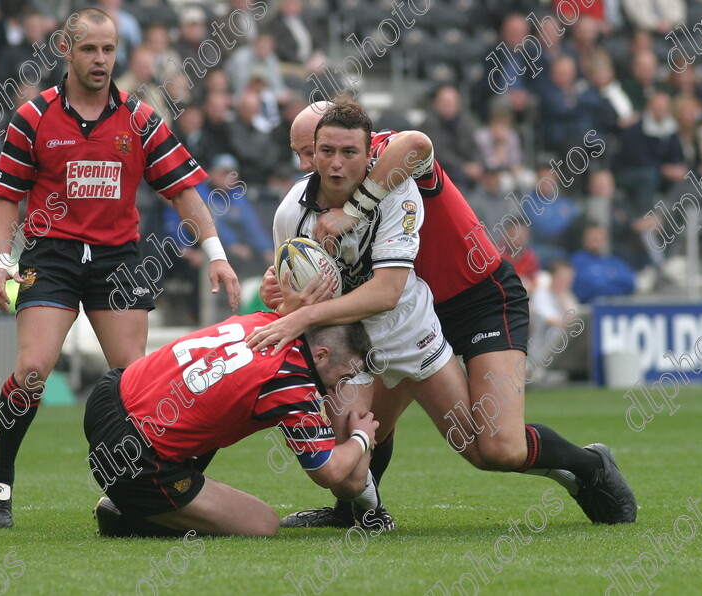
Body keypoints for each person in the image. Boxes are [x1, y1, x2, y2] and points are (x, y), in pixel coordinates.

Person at [265, 100, 636, 529]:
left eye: (313, 150)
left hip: (477, 297)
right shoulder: (304, 201)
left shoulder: (386, 159)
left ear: (359, 146)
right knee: (367, 428)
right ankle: (355, 513)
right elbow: (300, 268)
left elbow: (416, 143)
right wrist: (276, 287)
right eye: (306, 154)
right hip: (410, 311)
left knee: (499, 448)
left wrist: (353, 211)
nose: (312, 164)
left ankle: (590, 466)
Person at [0, 7, 240, 529]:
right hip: (50, 258)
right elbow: (6, 200)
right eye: (90, 49)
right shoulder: (32, 118)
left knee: (136, 387)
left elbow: (183, 192)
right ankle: (0, 476)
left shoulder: (141, 119)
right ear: (65, 50)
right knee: (33, 370)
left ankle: (138, 496)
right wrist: (4, 260)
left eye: (109, 49)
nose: (101, 60)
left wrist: (218, 256)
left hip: (117, 262)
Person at [86, 312, 378, 537]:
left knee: (212, 418)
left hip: (109, 393)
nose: (341, 386)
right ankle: (128, 515)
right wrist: (361, 438)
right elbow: (329, 472)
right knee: (262, 524)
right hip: (133, 455)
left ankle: (143, 497)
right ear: (322, 355)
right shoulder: (293, 381)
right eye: (344, 375)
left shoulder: (269, 319)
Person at [571, 224, 636, 303]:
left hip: (616, 307)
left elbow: (630, 283)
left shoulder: (614, 261)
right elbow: (588, 287)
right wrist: (613, 284)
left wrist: (604, 284)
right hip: (588, 310)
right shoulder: (577, 261)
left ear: (605, 240)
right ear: (584, 239)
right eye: (593, 237)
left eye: (599, 238)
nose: (596, 239)